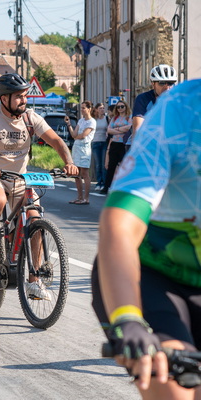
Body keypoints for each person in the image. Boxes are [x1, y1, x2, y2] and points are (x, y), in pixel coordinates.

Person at [92, 79, 200, 399]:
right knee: (176, 386)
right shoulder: (178, 112)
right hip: (150, 277)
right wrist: (128, 319)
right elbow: (120, 224)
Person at [0, 73, 77, 299]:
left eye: (25, 96)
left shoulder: (30, 117)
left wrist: (69, 163)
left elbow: (57, 141)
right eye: (19, 96)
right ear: (4, 98)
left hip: (20, 178)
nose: (24, 100)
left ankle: (34, 281)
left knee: (35, 220)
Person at [130, 64, 177, 151]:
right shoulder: (143, 99)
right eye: (162, 83)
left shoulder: (178, 100)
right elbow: (138, 129)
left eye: (170, 83)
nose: (167, 87)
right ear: (153, 84)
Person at [66, 101, 96, 205]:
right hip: (76, 147)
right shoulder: (81, 121)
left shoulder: (92, 122)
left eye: (84, 108)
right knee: (76, 174)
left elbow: (83, 135)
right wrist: (69, 124)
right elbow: (74, 134)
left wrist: (76, 137)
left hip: (84, 148)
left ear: (89, 109)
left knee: (85, 173)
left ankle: (86, 198)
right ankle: (79, 197)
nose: (82, 110)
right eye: (81, 108)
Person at [100, 100, 132, 194]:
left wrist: (116, 129)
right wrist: (121, 130)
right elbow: (109, 130)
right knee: (111, 166)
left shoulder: (129, 117)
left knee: (124, 166)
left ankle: (123, 187)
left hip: (124, 144)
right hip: (115, 143)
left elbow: (129, 127)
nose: (120, 108)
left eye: (122, 106)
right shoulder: (115, 118)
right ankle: (106, 187)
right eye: (118, 107)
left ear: (126, 107)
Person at [92, 103, 108, 191]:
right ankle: (99, 182)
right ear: (96, 110)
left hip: (104, 142)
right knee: (98, 164)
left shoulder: (106, 118)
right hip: (95, 142)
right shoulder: (94, 119)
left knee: (103, 164)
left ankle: (104, 183)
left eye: (103, 108)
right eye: (100, 108)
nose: (102, 110)